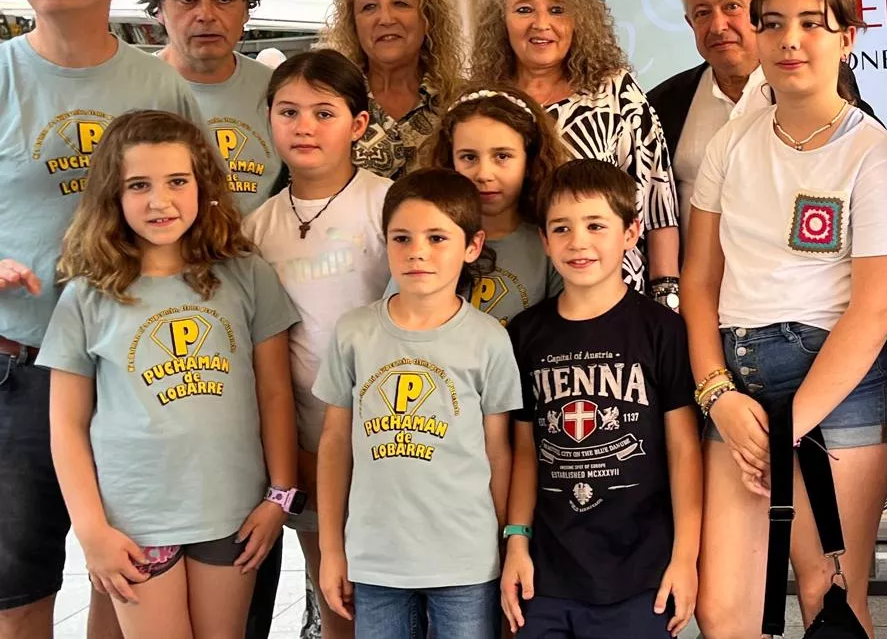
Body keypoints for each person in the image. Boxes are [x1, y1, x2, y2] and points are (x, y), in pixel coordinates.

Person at [683, 0, 887, 638]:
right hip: (736, 388)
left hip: (836, 388)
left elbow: (876, 311)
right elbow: (698, 282)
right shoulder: (733, 142)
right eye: (773, 24)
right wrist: (715, 394)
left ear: (848, 36)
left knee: (829, 599)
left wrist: (791, 428)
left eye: (812, 23)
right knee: (723, 611)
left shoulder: (873, 155)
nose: (790, 39)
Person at [0, 0, 202, 639]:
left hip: (131, 369)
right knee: (17, 596)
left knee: (124, 576)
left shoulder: (158, 84)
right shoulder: (1, 75)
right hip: (18, 370)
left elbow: (194, 209)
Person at [40, 110, 301, 639]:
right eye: (139, 185)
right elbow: (66, 425)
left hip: (230, 513)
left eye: (177, 181)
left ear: (203, 186)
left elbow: (275, 393)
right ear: (113, 194)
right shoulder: (88, 294)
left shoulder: (246, 273)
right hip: (136, 522)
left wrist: (281, 496)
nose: (160, 201)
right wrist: (91, 533)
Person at [313, 169, 520, 639]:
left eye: (436, 237)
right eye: (401, 237)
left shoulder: (489, 340)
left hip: (466, 563)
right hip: (375, 561)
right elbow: (333, 444)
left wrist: (507, 543)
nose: (417, 252)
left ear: (472, 246)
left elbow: (498, 453)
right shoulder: (354, 333)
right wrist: (331, 549)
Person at [500, 159, 700, 638]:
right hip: (547, 576)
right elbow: (527, 450)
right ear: (544, 240)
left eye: (596, 225)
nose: (579, 242)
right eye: (562, 228)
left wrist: (685, 558)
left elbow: (683, 450)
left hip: (640, 574)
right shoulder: (526, 334)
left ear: (631, 233)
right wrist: (516, 543)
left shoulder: (662, 330)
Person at [244, 50, 393, 639]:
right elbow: (266, 360)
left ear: (358, 124)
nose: (304, 126)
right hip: (308, 441)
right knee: (334, 589)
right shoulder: (258, 229)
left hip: (393, 434)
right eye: (289, 112)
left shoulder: (388, 205)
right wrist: (291, 457)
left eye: (323, 112)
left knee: (399, 587)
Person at [471, 0, 679, 302]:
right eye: (524, 10)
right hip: (508, 288)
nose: (541, 24)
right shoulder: (482, 100)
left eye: (557, 9)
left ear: (580, 20)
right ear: (501, 21)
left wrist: (666, 296)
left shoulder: (615, 92)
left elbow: (657, 200)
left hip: (611, 295)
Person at [145, 0, 281, 215]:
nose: (206, 15)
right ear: (158, 9)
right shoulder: (129, 90)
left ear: (246, 10)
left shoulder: (277, 93)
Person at [648, 0, 770, 239]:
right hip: (692, 281)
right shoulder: (662, 103)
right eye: (703, 13)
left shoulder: (807, 90)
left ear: (761, 9)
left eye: (731, 6)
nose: (717, 26)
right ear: (690, 23)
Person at [425, 85, 567, 325]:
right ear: (450, 162)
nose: (484, 174)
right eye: (469, 157)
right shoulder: (427, 237)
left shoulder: (551, 242)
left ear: (530, 161)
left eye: (502, 156)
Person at [320, 0, 467, 178]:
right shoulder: (328, 101)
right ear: (353, 24)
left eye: (401, 4)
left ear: (427, 18)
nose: (386, 18)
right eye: (369, 7)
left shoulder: (462, 102)